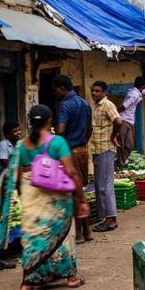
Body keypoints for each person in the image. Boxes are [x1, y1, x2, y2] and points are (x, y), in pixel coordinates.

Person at [0, 105, 88, 290]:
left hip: (31, 196)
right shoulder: (57, 142)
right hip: (55, 197)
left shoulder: (21, 145)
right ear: (50, 121)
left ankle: (28, 284)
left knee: (33, 239)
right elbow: (71, 172)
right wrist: (81, 199)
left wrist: (23, 198)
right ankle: (71, 277)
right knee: (62, 236)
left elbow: (17, 176)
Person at [53, 74, 93, 244]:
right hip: (83, 149)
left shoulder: (64, 105)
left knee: (74, 192)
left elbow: (61, 130)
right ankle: (87, 230)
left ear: (61, 88)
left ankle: (79, 234)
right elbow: (90, 128)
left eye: (55, 89)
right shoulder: (84, 103)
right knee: (80, 189)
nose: (54, 93)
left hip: (70, 151)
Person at [89, 81, 121, 232]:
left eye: (98, 91)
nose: (94, 93)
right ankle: (110, 218)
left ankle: (109, 221)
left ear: (104, 92)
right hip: (97, 149)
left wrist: (113, 136)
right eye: (93, 91)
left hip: (105, 148)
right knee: (101, 185)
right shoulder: (96, 106)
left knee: (105, 186)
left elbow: (118, 121)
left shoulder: (107, 105)